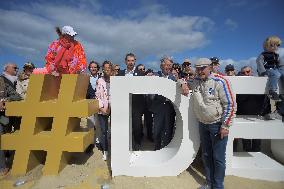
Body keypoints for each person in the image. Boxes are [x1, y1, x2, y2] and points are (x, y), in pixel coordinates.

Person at [189, 58, 236, 189]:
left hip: (217, 125)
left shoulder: (221, 81)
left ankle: (218, 186)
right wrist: (182, 84)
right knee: (206, 155)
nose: (199, 70)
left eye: (202, 68)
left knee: (218, 158)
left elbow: (230, 105)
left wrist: (225, 125)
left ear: (210, 67)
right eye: (197, 68)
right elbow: (183, 81)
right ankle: (209, 183)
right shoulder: (196, 81)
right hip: (202, 124)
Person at [118, 53, 145, 150]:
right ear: (125, 61)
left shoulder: (141, 74)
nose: (130, 62)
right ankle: (125, 144)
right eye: (129, 60)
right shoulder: (120, 74)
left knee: (137, 126)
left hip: (137, 105)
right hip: (124, 104)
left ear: (135, 61)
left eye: (132, 60)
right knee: (124, 125)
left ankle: (137, 143)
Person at [150, 56, 177, 150]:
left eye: (170, 65)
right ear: (161, 66)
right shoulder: (155, 75)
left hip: (170, 108)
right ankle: (156, 149)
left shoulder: (173, 78)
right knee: (157, 130)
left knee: (168, 130)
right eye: (167, 65)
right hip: (158, 107)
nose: (169, 67)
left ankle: (166, 149)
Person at [0, 63, 22, 176]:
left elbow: (18, 96)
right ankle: (3, 166)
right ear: (7, 69)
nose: (17, 69)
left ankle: (7, 162)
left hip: (6, 116)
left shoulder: (11, 81)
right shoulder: (3, 79)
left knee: (6, 138)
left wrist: (5, 99)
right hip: (3, 116)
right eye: (14, 67)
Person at [256, 36, 283, 101]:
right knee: (276, 74)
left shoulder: (276, 55)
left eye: (278, 45)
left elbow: (280, 64)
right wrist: (263, 72)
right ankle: (272, 91)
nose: (276, 47)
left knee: (281, 73)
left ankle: (282, 92)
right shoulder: (263, 55)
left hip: (275, 69)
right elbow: (259, 62)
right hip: (267, 70)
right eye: (273, 45)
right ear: (267, 45)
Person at [95, 60, 112, 161]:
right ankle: (105, 151)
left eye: (109, 68)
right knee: (104, 131)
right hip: (103, 110)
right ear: (103, 69)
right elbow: (97, 97)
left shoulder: (115, 80)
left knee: (115, 130)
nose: (107, 70)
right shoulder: (99, 81)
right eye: (105, 69)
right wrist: (101, 108)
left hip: (114, 109)